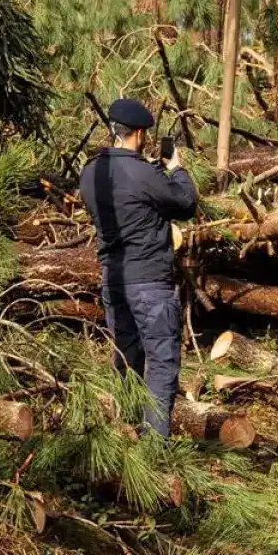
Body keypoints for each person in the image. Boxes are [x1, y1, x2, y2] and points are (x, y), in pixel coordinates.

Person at [77, 98, 198, 437]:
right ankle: (153, 446)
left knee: (126, 360)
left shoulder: (90, 172)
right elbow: (185, 204)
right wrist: (176, 168)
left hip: (113, 282)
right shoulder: (142, 172)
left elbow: (132, 198)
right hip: (149, 284)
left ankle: (123, 435)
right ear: (140, 133)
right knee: (161, 364)